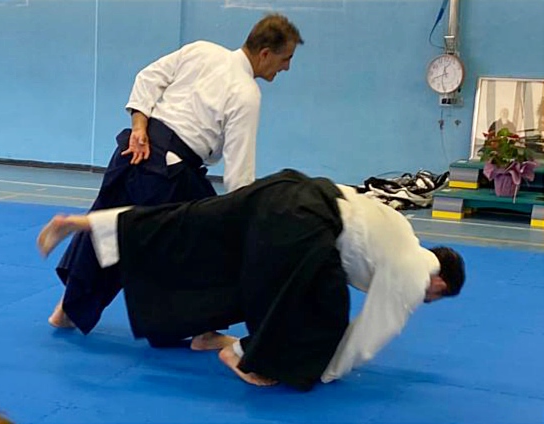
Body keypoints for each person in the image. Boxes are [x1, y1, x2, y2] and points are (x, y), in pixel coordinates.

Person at [37, 169, 466, 392]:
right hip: (305, 220)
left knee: (186, 223)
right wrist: (326, 371)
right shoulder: (416, 273)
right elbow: (373, 331)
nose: (426, 300)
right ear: (440, 284)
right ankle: (242, 355)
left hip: (290, 189)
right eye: (434, 297)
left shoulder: (403, 232)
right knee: (323, 312)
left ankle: (84, 223)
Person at [50, 14, 304, 339]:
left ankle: (66, 311)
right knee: (206, 242)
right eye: (285, 59)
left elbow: (147, 79)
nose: (286, 68)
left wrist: (139, 127)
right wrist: (246, 215)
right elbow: (239, 170)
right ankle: (203, 332)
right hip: (168, 175)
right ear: (265, 53)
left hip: (132, 153)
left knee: (112, 227)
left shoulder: (202, 50)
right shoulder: (246, 93)